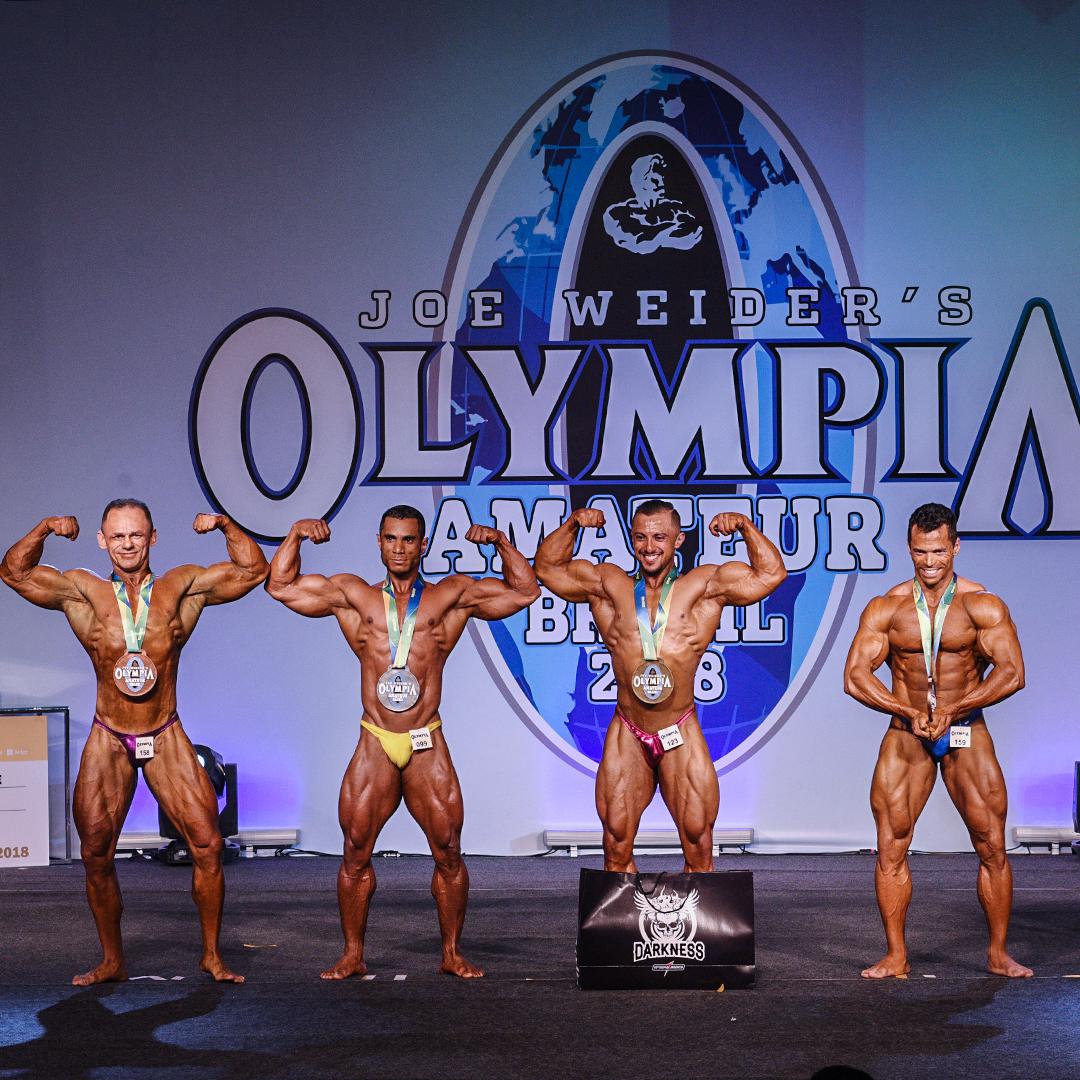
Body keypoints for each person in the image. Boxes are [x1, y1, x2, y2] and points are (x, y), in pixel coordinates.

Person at [0, 501, 269, 985]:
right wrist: (43, 528)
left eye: (137, 535)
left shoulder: (180, 587)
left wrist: (226, 524)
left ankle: (211, 955)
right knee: (95, 852)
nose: (127, 544)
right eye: (118, 536)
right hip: (109, 734)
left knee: (208, 845)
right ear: (103, 541)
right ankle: (112, 960)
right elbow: (14, 572)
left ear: (153, 538)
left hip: (164, 732)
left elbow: (253, 570)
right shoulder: (84, 591)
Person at [266, 506, 540, 979]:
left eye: (409, 540)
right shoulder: (354, 595)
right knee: (355, 848)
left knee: (448, 849)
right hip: (376, 737)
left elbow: (525, 591)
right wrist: (295, 534)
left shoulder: (449, 597)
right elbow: (281, 586)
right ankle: (353, 954)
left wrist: (499, 542)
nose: (399, 548)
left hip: (424, 737)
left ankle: (451, 953)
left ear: (423, 544)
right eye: (391, 538)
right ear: (379, 541)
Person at [534, 500, 786, 872]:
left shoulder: (703, 586)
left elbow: (771, 574)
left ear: (678, 540)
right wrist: (573, 523)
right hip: (628, 730)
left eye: (659, 538)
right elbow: (547, 568)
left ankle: (692, 913)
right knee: (615, 841)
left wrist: (745, 526)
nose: (649, 547)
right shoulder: (610, 585)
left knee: (698, 842)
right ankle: (628, 912)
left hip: (678, 728)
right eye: (640, 537)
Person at [843, 502, 1031, 978]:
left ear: (956, 547)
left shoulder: (981, 605)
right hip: (907, 733)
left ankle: (998, 953)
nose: (929, 562)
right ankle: (896, 956)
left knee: (991, 844)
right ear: (909, 548)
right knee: (891, 845)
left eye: (939, 551)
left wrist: (954, 708)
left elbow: (1012, 672)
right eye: (920, 552)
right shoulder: (887, 608)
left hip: (966, 729)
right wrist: (907, 710)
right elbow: (854, 676)